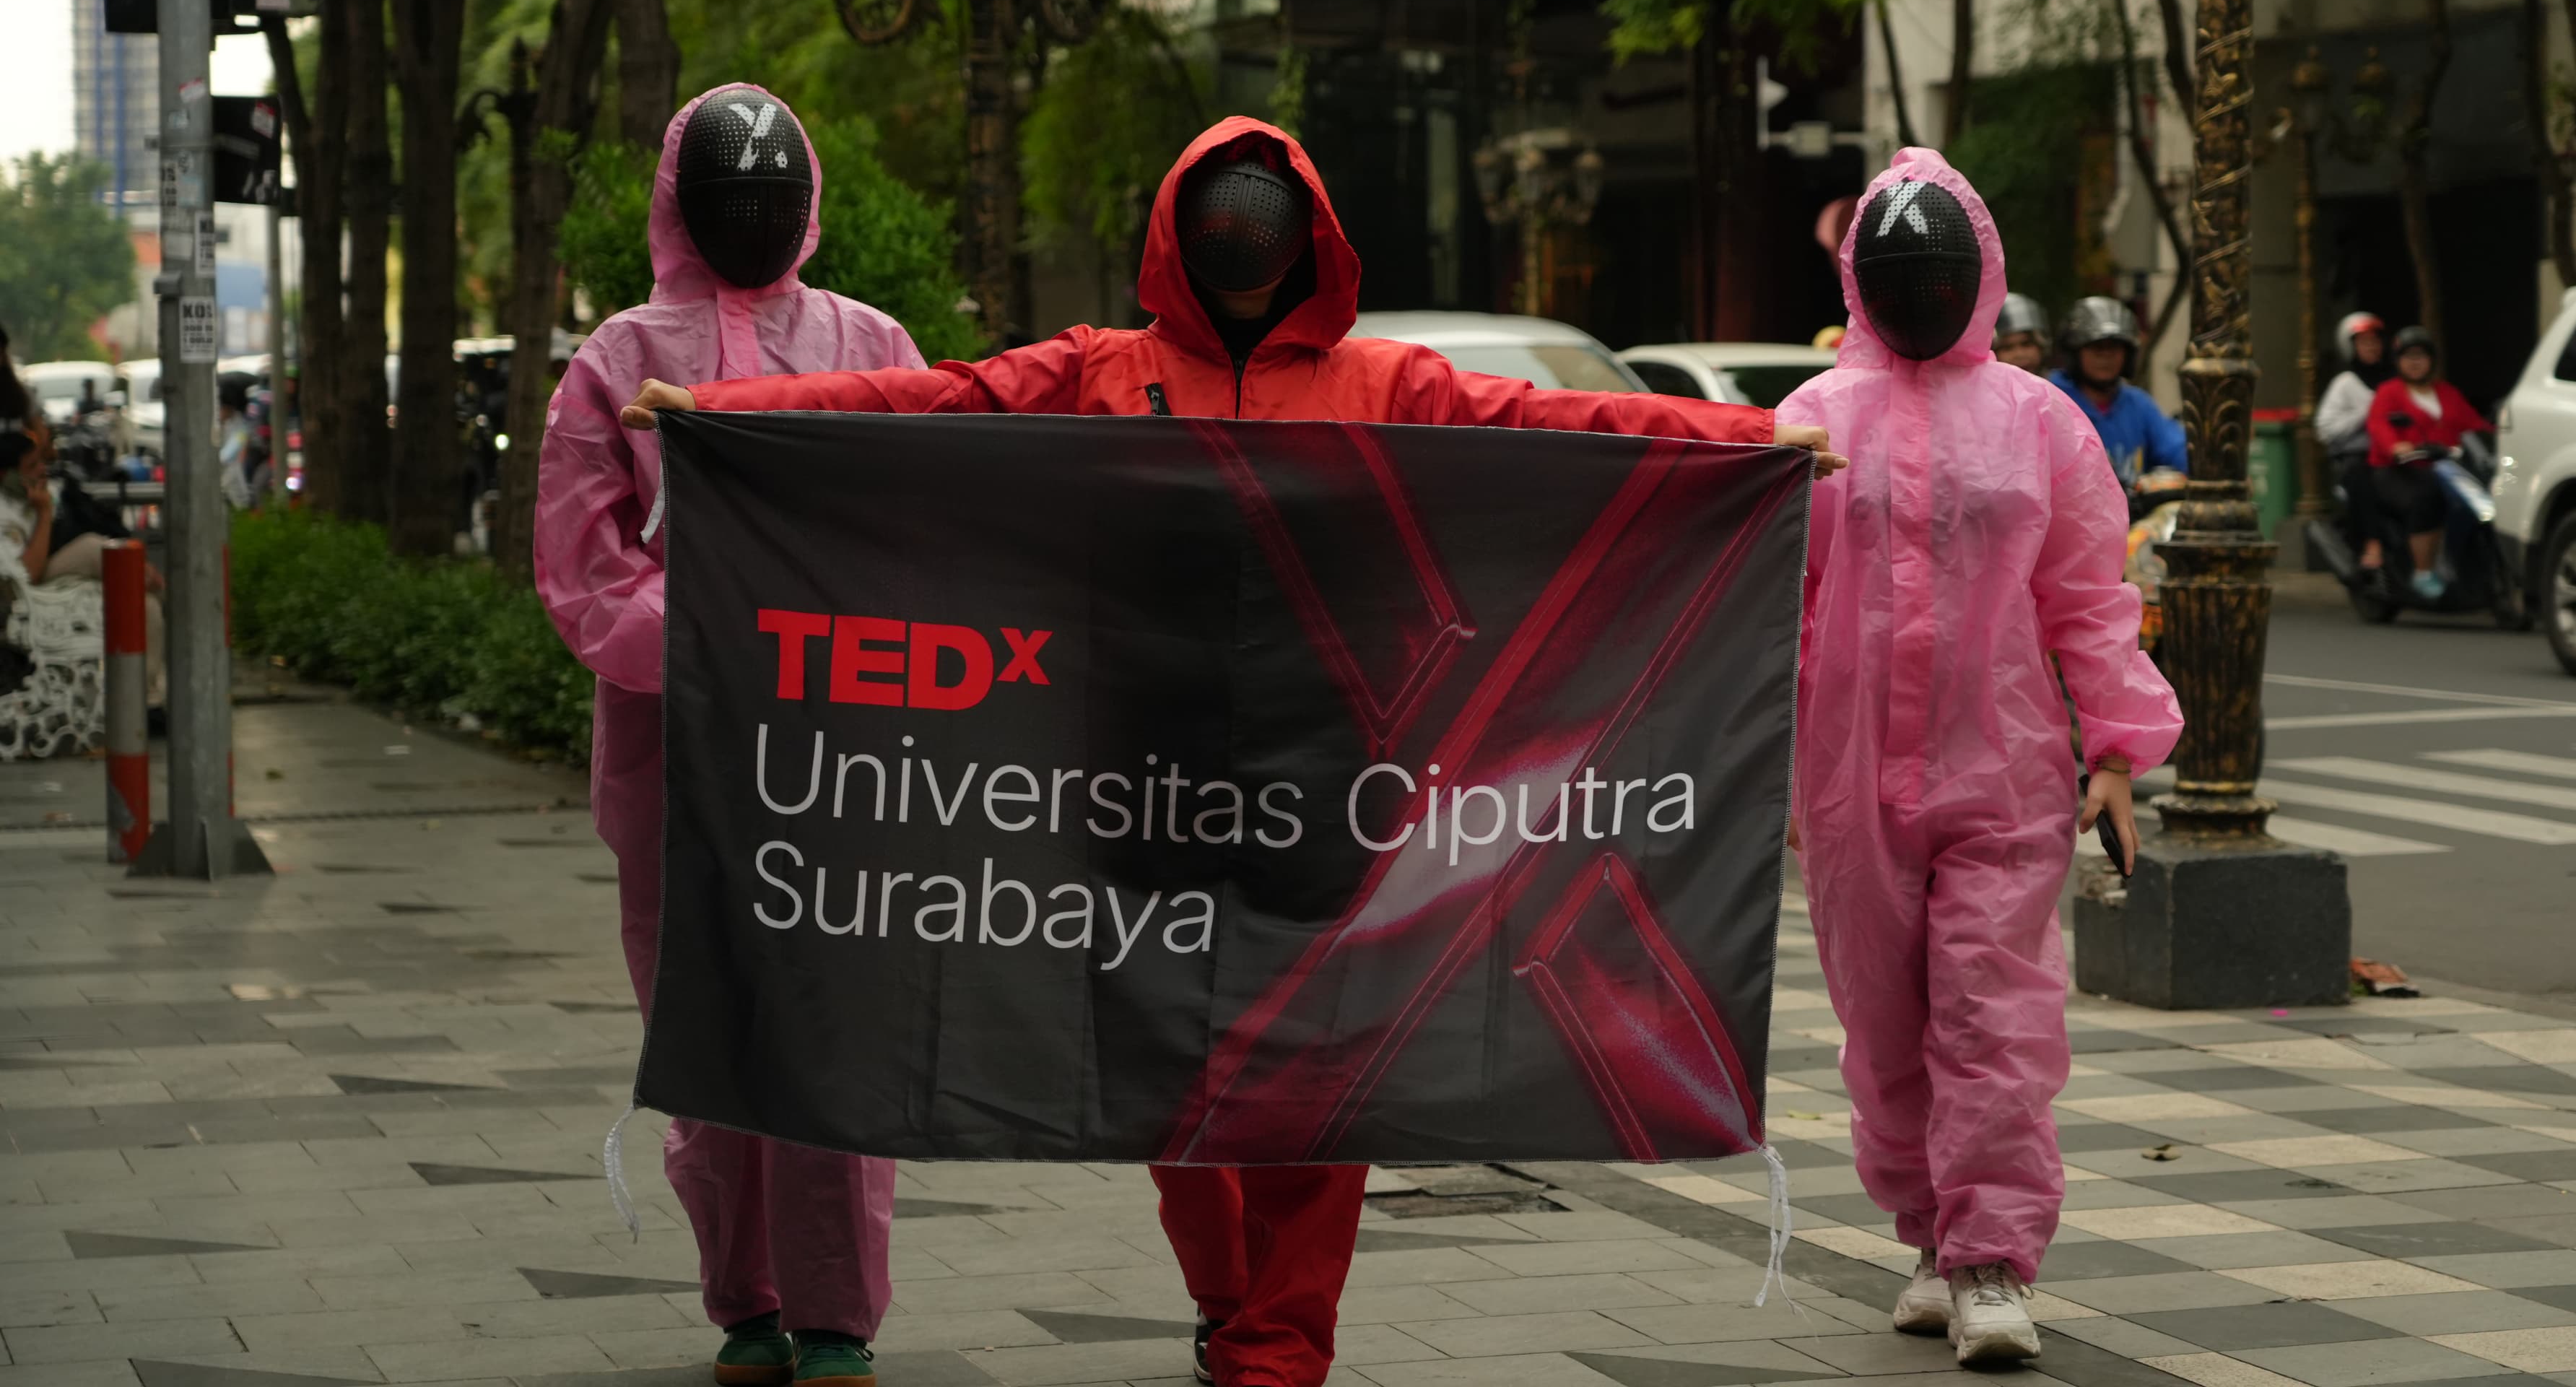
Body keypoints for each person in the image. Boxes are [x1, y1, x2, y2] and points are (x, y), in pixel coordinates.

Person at [620, 114, 1843, 1387]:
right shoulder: (1102, 367)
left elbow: (1562, 427)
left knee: (1324, 1076)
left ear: (1306, 234)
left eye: (1263, 211)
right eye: (1221, 212)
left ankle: (1280, 1345)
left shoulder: (1389, 387)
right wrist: (725, 414)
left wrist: (1754, 448)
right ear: (1179, 235)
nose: (1242, 233)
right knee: (1160, 1066)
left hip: (1329, 790)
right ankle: (1226, 1296)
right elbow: (932, 401)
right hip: (1135, 783)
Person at [537, 85, 925, 1387]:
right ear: (684, 207)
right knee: (705, 1025)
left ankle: (837, 1320)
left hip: (840, 755)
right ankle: (744, 1303)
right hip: (676, 759)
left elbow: (929, 522)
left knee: (833, 1024)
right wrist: (715, 649)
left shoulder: (874, 342)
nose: (753, 217)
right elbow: (582, 562)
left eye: (772, 196)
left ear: (804, 205)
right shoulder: (613, 362)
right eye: (729, 198)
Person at [1775, 149, 2181, 1368]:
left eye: (1939, 274)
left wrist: (2114, 749)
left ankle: (1994, 1259)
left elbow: (2087, 594)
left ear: (1982, 278)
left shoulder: (2038, 419)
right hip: (1846, 777)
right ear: (1862, 281)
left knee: (1995, 1016)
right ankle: (1929, 1238)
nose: (1920, 295)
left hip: (2003, 765)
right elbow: (1756, 608)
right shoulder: (1810, 424)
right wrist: (1760, 776)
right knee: (1883, 1027)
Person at [0, 427, 106, 760]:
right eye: (32, 466)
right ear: (9, 475)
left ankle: (149, 702)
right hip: (27, 595)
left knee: (144, 608)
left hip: (50, 583)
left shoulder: (37, 495)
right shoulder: (6, 512)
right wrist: (45, 513)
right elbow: (28, 573)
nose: (41, 471)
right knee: (93, 550)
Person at [2364, 326, 2488, 602]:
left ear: (2432, 360)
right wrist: (2397, 447)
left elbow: (2475, 424)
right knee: (2427, 500)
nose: (2415, 362)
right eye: (2408, 356)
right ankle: (2423, 571)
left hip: (2448, 470)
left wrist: (2497, 436)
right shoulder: (2389, 393)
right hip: (2398, 470)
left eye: (2421, 355)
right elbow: (2379, 424)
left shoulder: (2447, 393)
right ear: (2398, 362)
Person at [2049, 297, 2186, 491]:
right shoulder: (2051, 400)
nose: (2106, 357)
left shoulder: (2138, 404)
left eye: (2114, 348)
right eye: (2097, 348)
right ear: (2074, 353)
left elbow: (2178, 451)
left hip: (2135, 519)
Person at [2313, 312, 2391, 569]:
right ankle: (2372, 543)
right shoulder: (2345, 384)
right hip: (2358, 456)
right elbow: (2324, 428)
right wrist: (2365, 414)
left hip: (2395, 453)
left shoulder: (2394, 381)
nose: (2372, 347)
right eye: (2364, 342)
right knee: (2363, 478)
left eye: (2375, 341)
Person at [1991, 293, 2050, 373]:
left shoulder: (2060, 383)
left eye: (2026, 344)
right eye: (2007, 348)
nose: (2019, 355)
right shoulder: (1983, 385)